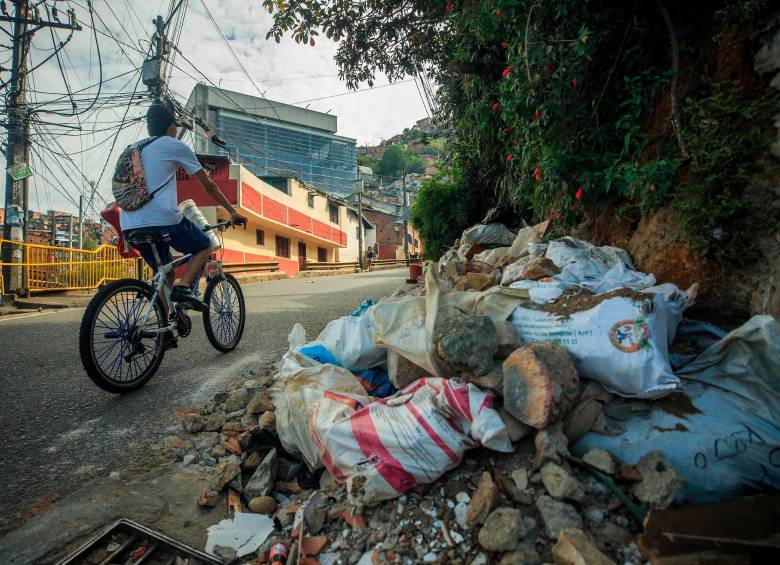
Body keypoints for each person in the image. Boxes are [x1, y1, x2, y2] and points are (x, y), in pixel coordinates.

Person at [120, 103, 246, 312]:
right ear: (171, 127)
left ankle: (165, 326)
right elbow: (209, 185)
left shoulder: (134, 148)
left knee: (165, 273)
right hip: (162, 221)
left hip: (130, 224)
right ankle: (184, 287)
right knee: (204, 245)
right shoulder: (173, 145)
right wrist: (232, 212)